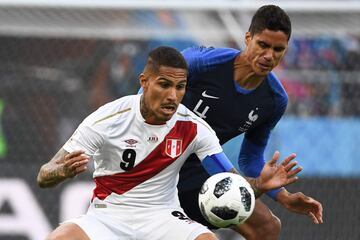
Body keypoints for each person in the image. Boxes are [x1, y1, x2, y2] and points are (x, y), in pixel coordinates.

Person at [37, 46, 301, 240]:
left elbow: (228, 182)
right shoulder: (107, 119)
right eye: (164, 85)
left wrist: (258, 185)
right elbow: (44, 175)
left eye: (180, 87)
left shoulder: (195, 127)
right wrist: (60, 171)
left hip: (162, 217)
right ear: (145, 81)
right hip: (108, 217)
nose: (173, 96)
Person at [177, 5, 323, 240]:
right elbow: (149, 91)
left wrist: (283, 195)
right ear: (248, 38)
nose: (269, 56)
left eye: (278, 49)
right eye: (263, 45)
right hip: (156, 162)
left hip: (198, 171)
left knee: (267, 227)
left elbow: (250, 158)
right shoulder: (201, 63)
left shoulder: (274, 100)